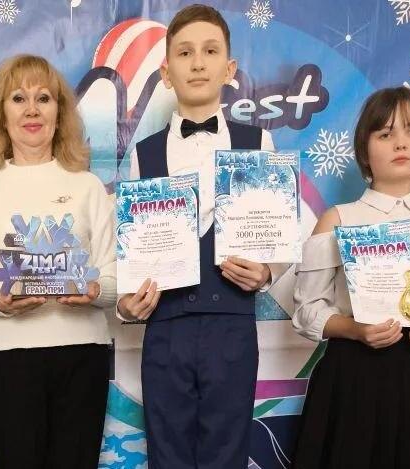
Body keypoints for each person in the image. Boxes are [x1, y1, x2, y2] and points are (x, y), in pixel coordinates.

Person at [116, 4, 290, 467]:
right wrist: (127, 302)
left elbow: (277, 235)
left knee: (227, 454)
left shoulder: (259, 143)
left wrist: (267, 272)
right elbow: (133, 247)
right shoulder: (144, 154)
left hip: (232, 327)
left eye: (210, 51)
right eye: (185, 52)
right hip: (165, 329)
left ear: (229, 69)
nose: (197, 63)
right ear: (166, 72)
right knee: (167, 454)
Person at [291, 87, 410, 469]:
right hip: (352, 376)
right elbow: (306, 311)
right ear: (364, 149)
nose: (400, 143)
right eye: (385, 133)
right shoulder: (337, 219)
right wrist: (354, 329)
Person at [0, 54, 116, 469]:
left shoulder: (89, 187)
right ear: (1, 114)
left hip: (83, 355)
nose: (31, 109)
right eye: (18, 98)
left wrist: (95, 290)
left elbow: (115, 277)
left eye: (43, 98)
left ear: (59, 114)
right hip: (10, 359)